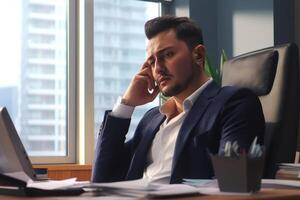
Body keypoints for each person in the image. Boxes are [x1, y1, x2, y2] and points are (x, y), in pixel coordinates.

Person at [91, 16, 265, 184]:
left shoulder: (234, 103)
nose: (157, 68)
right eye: (151, 62)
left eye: (167, 55)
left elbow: (232, 180)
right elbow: (102, 179)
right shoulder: (151, 120)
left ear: (198, 55)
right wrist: (126, 105)